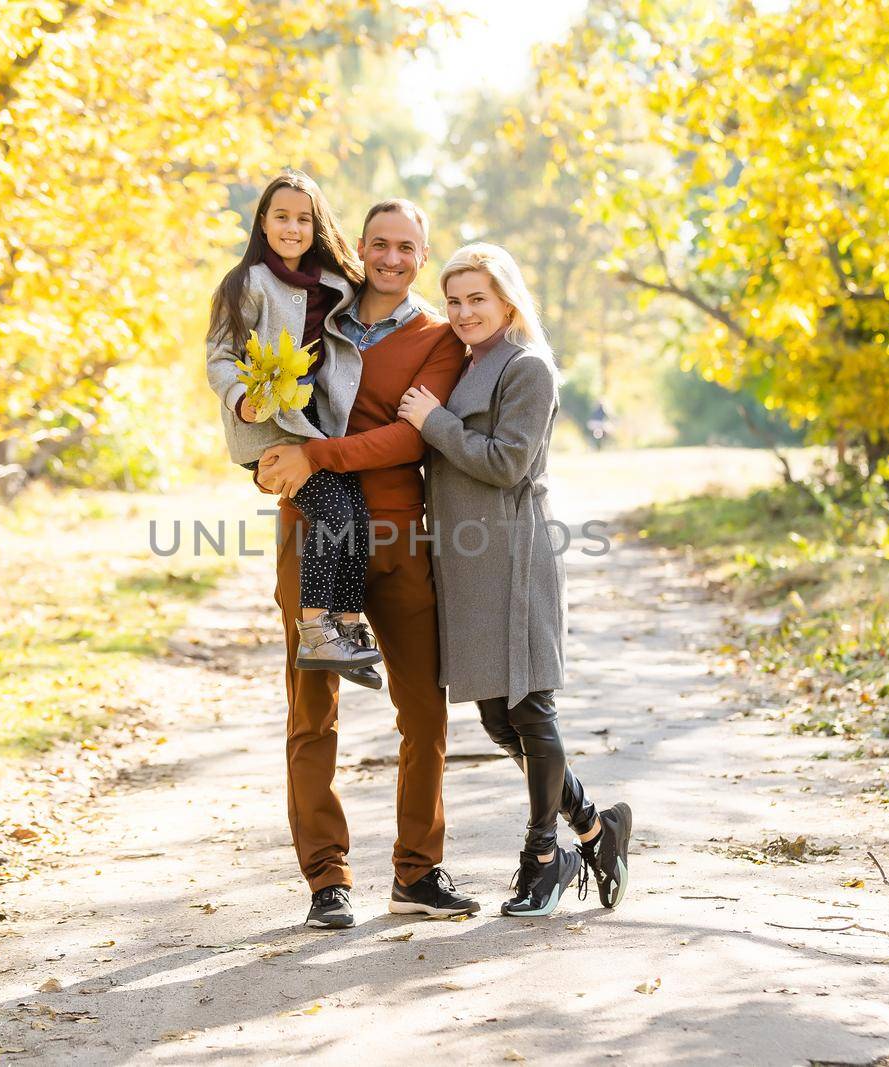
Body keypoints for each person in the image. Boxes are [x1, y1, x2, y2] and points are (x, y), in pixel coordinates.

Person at [255, 199, 478, 929]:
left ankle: (417, 871)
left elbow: (409, 442)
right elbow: (263, 399)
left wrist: (314, 453)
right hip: (313, 532)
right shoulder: (316, 318)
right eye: (378, 243)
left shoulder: (440, 339)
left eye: (405, 247)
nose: (389, 257)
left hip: (398, 537)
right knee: (312, 711)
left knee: (423, 712)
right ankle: (326, 879)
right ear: (359, 246)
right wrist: (267, 460)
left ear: (422, 253)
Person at [397, 243, 632, 917]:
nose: (464, 311)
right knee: (498, 715)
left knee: (530, 708)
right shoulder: (460, 362)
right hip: (465, 561)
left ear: (506, 301)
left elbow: (506, 463)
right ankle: (594, 826)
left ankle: (541, 856)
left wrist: (432, 421)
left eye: (478, 298)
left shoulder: (527, 367)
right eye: (455, 300)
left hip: (513, 557)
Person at [206, 171, 382, 684]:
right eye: (281, 217)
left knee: (354, 509)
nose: (292, 227)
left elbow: (379, 293)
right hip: (263, 426)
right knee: (330, 509)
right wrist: (242, 400)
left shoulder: (334, 284)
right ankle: (315, 629)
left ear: (316, 226)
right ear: (263, 223)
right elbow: (219, 357)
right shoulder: (246, 283)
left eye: (303, 219)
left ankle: (347, 625)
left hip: (311, 426)